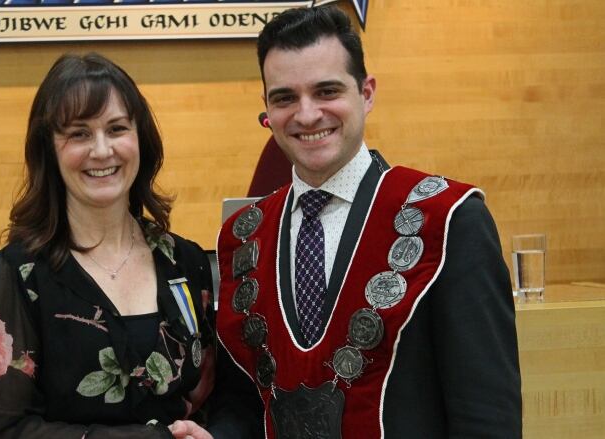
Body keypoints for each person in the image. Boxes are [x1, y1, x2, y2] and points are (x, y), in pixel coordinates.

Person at [171, 5, 521, 439]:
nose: (307, 114)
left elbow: (486, 414)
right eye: (285, 97)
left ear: (367, 93)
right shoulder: (244, 235)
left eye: (326, 91)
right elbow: (244, 401)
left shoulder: (448, 220)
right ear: (266, 108)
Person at [0, 53, 215, 438]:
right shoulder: (20, 273)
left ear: (140, 139)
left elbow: (215, 399)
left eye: (116, 129)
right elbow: (4, 429)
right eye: (79, 133)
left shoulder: (186, 262)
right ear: (49, 149)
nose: (101, 151)